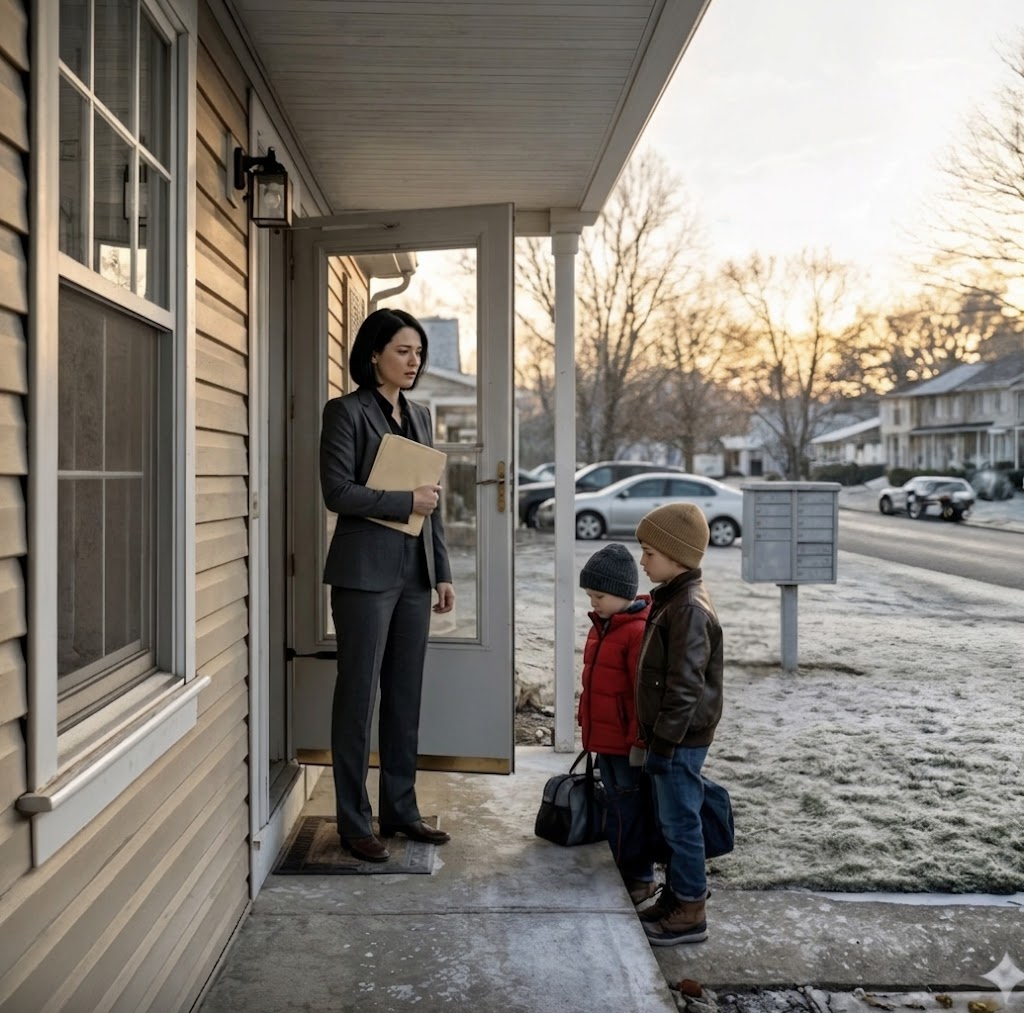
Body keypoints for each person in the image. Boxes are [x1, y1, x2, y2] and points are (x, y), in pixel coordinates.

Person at [319, 307, 455, 864]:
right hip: (363, 576)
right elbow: (338, 493)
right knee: (358, 699)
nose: (413, 361)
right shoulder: (344, 413)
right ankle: (354, 822)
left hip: (414, 574)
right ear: (373, 353)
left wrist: (442, 570)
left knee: (404, 697)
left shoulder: (420, 416)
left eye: (418, 352)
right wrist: (405, 501)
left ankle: (401, 809)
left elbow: (433, 502)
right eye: (403, 351)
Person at [632, 503, 723, 946]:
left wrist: (664, 743)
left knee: (682, 822)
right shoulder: (671, 599)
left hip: (680, 740)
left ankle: (691, 910)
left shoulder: (687, 608)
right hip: (668, 737)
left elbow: (685, 686)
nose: (642, 561)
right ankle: (678, 896)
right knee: (670, 820)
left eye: (648, 552)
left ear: (677, 556)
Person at [577, 543, 660, 905]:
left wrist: (637, 743)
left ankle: (639, 877)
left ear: (624, 594)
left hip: (626, 744)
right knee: (614, 803)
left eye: (599, 595)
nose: (593, 602)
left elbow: (640, 696)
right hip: (605, 738)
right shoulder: (603, 626)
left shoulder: (635, 633)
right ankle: (623, 867)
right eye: (591, 595)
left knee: (628, 808)